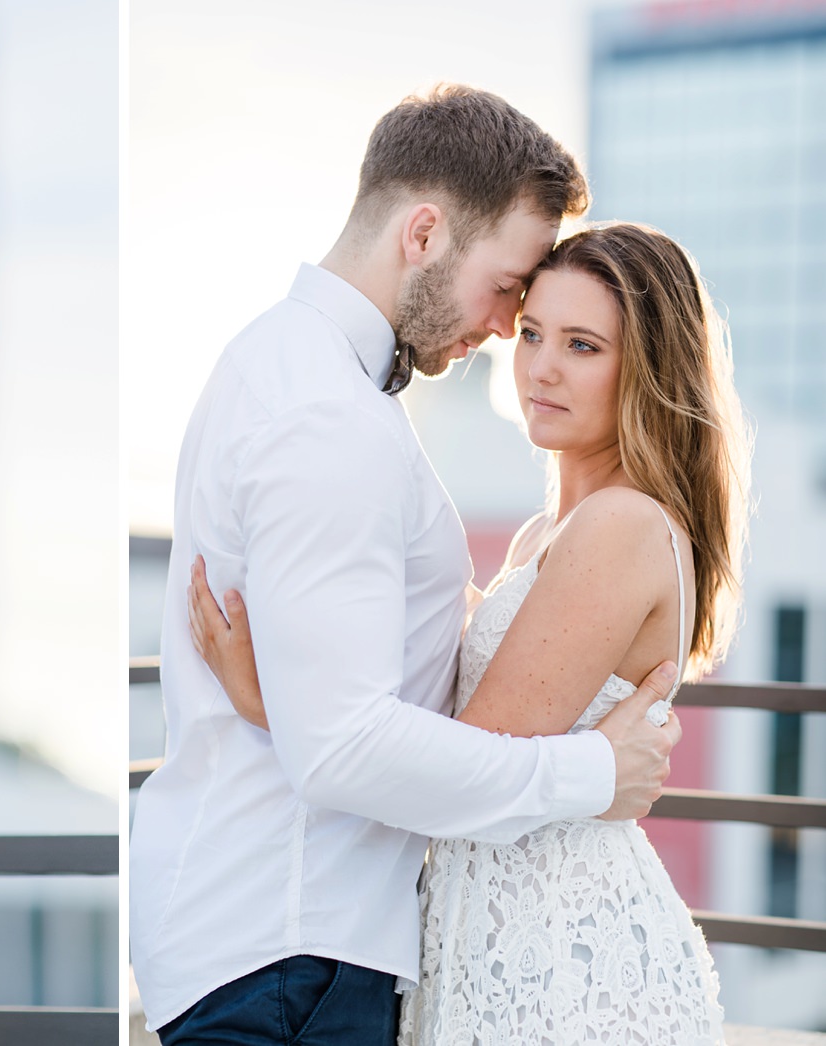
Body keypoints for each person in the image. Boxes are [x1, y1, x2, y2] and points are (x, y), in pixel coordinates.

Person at [126, 85, 682, 1045]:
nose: (512, 331)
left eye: (573, 338)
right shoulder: (326, 414)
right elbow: (341, 743)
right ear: (424, 233)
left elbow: (348, 710)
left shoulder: (294, 370)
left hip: (299, 946)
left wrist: (284, 703)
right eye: (511, 289)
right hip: (291, 952)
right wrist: (593, 772)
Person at [190, 220, 747, 1044]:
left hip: (566, 962)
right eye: (530, 333)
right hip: (491, 933)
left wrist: (273, 704)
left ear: (647, 371)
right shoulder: (545, 537)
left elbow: (461, 774)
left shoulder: (621, 527)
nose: (540, 367)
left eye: (583, 345)